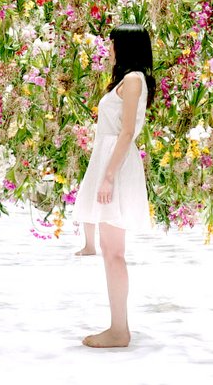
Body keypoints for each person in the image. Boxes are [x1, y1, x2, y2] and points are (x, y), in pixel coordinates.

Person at [70, 23, 155, 349]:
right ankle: (118, 326)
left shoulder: (133, 80)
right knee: (111, 251)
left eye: (114, 43)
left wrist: (108, 176)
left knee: (114, 253)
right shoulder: (127, 80)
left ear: (126, 47)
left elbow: (127, 131)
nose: (110, 49)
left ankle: (119, 329)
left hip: (115, 163)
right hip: (109, 159)